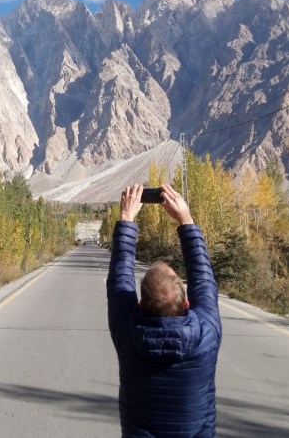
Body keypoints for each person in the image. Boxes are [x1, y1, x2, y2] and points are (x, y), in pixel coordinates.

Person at [106, 184, 222, 437]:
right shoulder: (206, 333)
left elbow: (120, 278)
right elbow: (203, 279)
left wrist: (127, 218)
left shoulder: (128, 334)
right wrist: (186, 220)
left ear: (139, 304)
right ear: (186, 302)